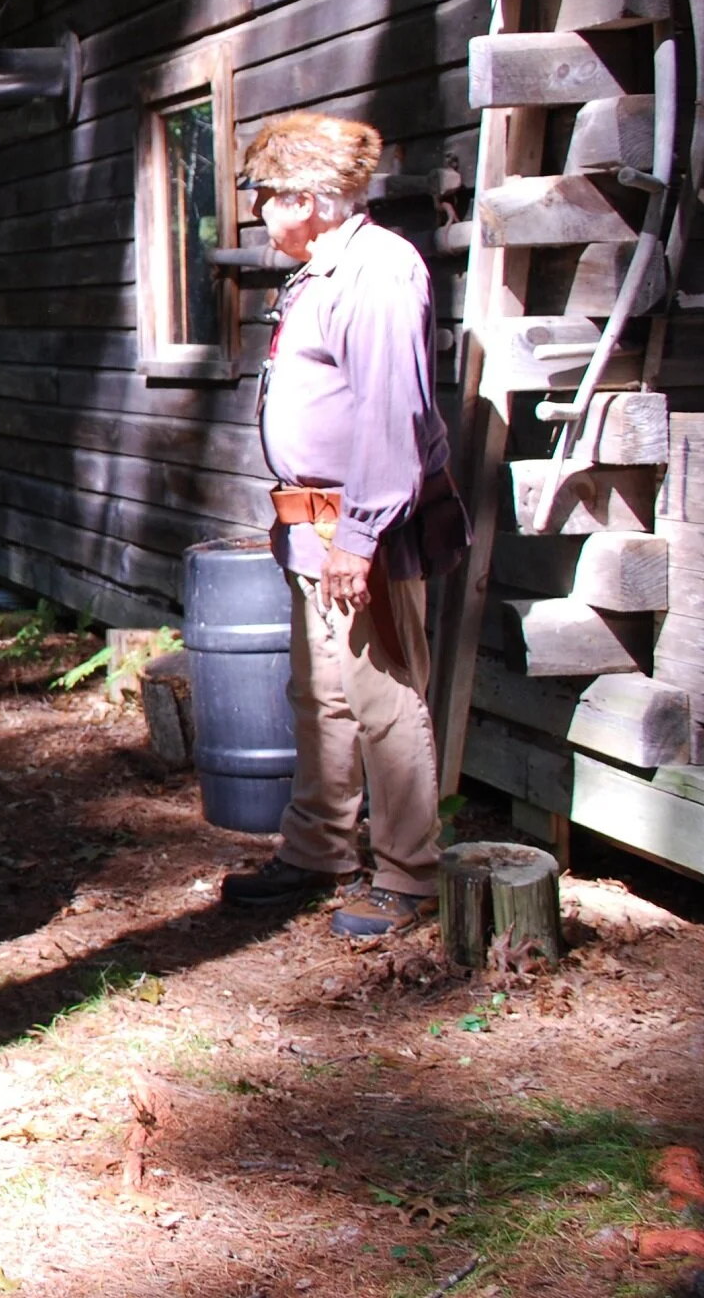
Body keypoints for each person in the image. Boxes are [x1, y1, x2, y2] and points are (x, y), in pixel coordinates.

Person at [219, 113, 470, 938]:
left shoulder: (379, 272)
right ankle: (320, 850)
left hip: (364, 525)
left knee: (383, 695)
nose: (257, 211)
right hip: (313, 523)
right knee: (320, 696)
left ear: (312, 198)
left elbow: (391, 421)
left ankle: (410, 875)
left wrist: (358, 539)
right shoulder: (320, 271)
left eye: (265, 195)